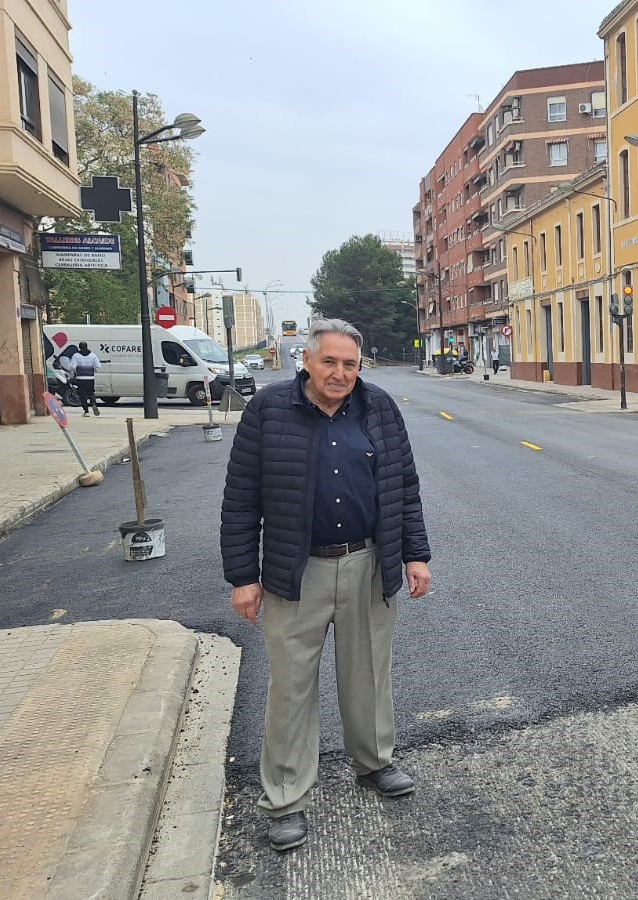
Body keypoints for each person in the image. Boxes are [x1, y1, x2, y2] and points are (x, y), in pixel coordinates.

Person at [221, 318, 432, 853]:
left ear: (360, 367)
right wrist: (244, 577)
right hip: (297, 571)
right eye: (330, 362)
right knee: (291, 686)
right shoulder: (269, 410)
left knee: (369, 674)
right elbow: (241, 499)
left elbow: (403, 486)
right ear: (308, 361)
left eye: (350, 364)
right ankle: (286, 797)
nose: (340, 373)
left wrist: (416, 555)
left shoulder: (378, 407)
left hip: (368, 563)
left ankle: (374, 762)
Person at [67, 342, 102, 417]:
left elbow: (72, 367)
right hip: (90, 378)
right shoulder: (93, 355)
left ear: (79, 347)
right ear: (87, 346)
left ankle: (86, 411)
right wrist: (92, 369)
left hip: (80, 378)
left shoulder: (76, 356)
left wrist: (77, 370)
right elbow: (98, 366)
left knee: (82, 395)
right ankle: (93, 404)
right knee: (91, 393)